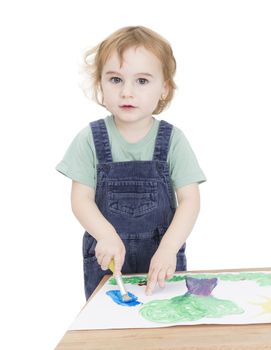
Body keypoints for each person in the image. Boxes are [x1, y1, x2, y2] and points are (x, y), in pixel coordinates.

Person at [56, 26, 206, 299]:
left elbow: (190, 201)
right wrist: (105, 234)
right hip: (108, 260)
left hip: (161, 262)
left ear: (164, 89)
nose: (127, 92)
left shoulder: (173, 140)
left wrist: (169, 248)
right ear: (100, 83)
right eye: (115, 80)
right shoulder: (89, 139)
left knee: (164, 329)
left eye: (142, 81)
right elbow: (81, 200)